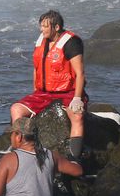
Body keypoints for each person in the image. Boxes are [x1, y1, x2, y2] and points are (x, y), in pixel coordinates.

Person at [10, 10, 86, 176]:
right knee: (16, 109)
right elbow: (37, 69)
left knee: (77, 116)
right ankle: (22, 150)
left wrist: (78, 98)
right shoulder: (41, 41)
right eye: (41, 26)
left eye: (45, 26)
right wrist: (35, 93)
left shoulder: (71, 43)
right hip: (44, 93)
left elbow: (80, 73)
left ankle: (75, 158)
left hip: (69, 91)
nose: (42, 30)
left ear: (56, 27)